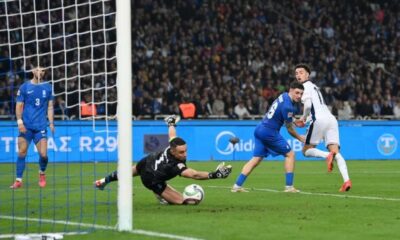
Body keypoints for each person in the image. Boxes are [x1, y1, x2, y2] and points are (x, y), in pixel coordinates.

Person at [95, 115, 232, 205]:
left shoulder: (172, 145)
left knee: (126, 172)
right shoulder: (174, 165)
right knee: (183, 202)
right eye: (181, 152)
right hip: (151, 179)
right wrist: (215, 175)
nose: (184, 154)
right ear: (173, 151)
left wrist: (170, 123)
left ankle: (103, 181)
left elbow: (172, 134)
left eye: (186, 150)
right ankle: (158, 192)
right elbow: (193, 174)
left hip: (148, 161)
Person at [232, 81, 305, 193]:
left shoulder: (283, 96)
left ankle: (237, 186)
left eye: (301, 94)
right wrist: (300, 138)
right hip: (269, 132)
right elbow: (289, 129)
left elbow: (282, 114)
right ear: (291, 90)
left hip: (260, 128)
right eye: (297, 93)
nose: (299, 96)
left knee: (256, 159)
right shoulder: (288, 106)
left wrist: (294, 120)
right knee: (290, 154)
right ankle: (289, 187)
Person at [294, 63, 352, 192]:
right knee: (336, 152)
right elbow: (317, 107)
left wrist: (303, 118)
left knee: (306, 151)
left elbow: (308, 106)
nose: (298, 75)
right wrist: (306, 119)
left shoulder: (304, 87)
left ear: (308, 74)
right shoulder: (315, 87)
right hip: (331, 119)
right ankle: (346, 181)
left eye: (301, 72)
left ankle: (327, 156)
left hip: (319, 120)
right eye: (296, 73)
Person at [10, 66, 55, 189]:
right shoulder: (24, 87)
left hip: (41, 126)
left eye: (43, 70)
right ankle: (18, 180)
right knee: (22, 151)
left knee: (44, 154)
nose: (40, 72)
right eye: (38, 69)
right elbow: (19, 106)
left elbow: (50, 107)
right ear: (33, 71)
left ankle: (42, 172)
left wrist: (51, 123)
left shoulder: (48, 87)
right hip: (27, 126)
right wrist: (20, 122)